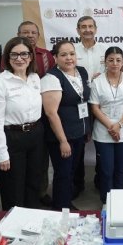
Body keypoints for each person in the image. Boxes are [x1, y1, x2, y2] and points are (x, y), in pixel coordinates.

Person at [0, 37, 44, 210]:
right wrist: (1, 154)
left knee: (34, 183)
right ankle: (13, 227)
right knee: (13, 188)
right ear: (7, 58)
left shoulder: (34, 78)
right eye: (14, 55)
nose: (20, 59)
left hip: (35, 134)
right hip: (12, 138)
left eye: (24, 54)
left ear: (31, 56)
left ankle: (33, 221)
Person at [41, 41, 90, 210]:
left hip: (79, 132)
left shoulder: (82, 71)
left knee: (71, 171)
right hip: (62, 136)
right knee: (63, 173)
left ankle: (65, 202)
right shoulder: (51, 78)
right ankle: (61, 207)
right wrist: (62, 140)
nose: (69, 58)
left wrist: (86, 129)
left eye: (72, 53)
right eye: (63, 55)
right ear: (55, 57)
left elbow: (83, 100)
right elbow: (51, 113)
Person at [89, 46, 123, 203]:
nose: (114, 63)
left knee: (120, 169)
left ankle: (119, 202)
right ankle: (106, 202)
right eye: (111, 60)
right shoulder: (97, 82)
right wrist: (111, 126)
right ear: (105, 62)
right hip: (103, 131)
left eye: (118, 60)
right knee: (106, 170)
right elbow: (94, 107)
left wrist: (118, 124)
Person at [16, 20, 55, 206]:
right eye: (25, 32)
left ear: (38, 35)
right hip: (19, 114)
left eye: (33, 32)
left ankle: (41, 191)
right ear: (18, 34)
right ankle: (23, 193)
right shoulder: (11, 54)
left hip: (45, 112)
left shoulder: (47, 55)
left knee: (41, 156)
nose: (30, 35)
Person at [73, 15, 106, 197]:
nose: (87, 30)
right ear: (78, 30)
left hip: (102, 103)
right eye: (83, 27)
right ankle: (77, 184)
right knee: (78, 143)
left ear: (96, 29)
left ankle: (101, 179)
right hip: (80, 104)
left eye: (90, 26)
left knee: (103, 142)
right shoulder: (72, 50)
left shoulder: (104, 49)